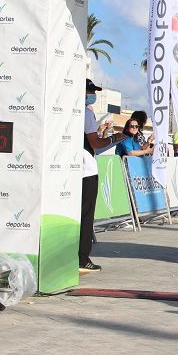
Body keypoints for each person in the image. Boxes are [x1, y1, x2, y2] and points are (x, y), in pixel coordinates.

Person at [82, 79, 125, 273]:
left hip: (74, 167)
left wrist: (100, 135)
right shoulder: (86, 112)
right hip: (87, 170)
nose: (93, 94)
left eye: (94, 91)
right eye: (90, 91)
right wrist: (114, 137)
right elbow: (95, 144)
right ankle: (82, 258)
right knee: (86, 215)